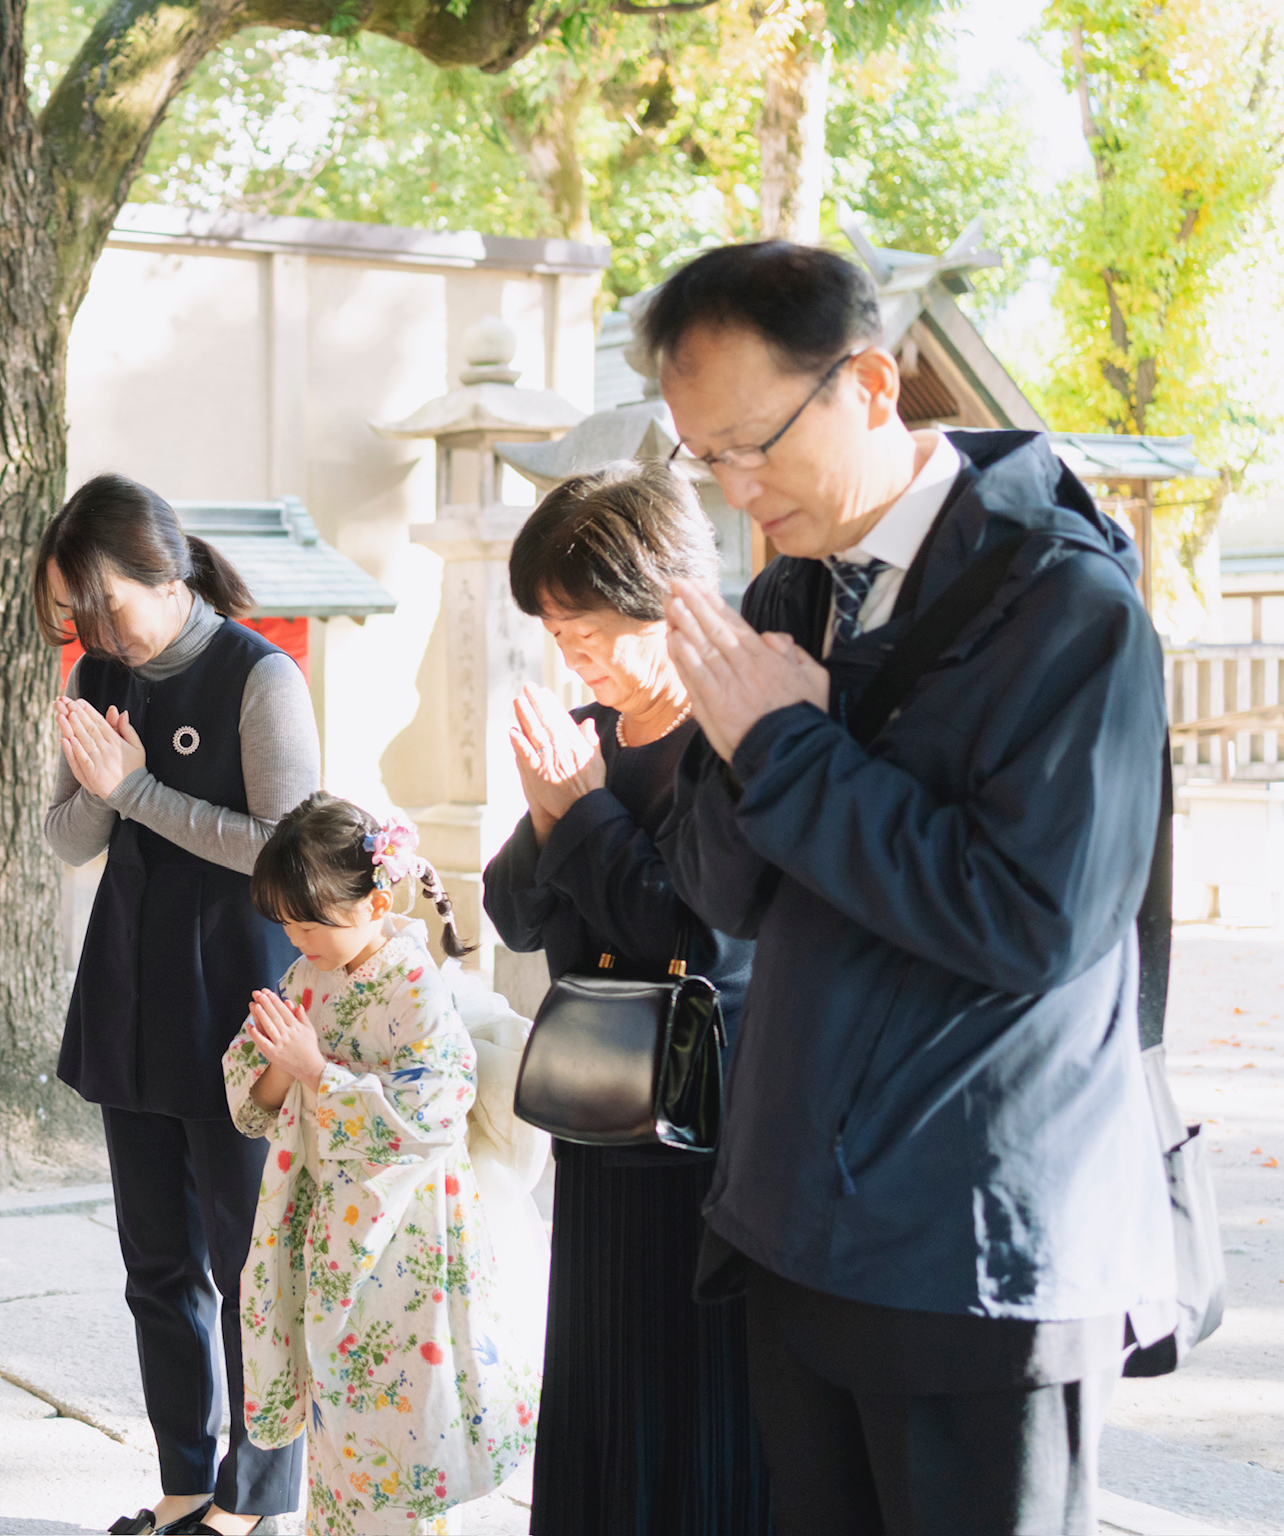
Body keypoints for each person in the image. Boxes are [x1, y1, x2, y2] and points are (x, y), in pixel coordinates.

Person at [643, 241, 1173, 1535]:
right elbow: (722, 892)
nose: (734, 489)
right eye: (702, 457)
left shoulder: (1067, 608)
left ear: (870, 383)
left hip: (973, 1249)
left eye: (754, 444)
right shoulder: (791, 591)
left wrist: (787, 751)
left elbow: (1033, 919)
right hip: (799, 1224)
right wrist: (722, 746)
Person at [479, 461, 775, 1536]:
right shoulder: (586, 731)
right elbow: (512, 911)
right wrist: (553, 813)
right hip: (596, 1117)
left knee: (690, 1397)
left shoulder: (730, 735)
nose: (575, 654)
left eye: (588, 625)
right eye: (558, 633)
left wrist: (581, 823)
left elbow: (696, 935)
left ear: (665, 597)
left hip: (704, 1130)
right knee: (599, 1376)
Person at [38, 473, 316, 1536]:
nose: (93, 629)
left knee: (247, 1260)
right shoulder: (102, 674)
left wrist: (139, 793)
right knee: (155, 1264)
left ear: (171, 570)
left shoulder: (260, 676)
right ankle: (184, 1483)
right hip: (128, 990)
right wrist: (87, 781)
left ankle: (258, 1497)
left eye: (105, 604)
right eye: (77, 613)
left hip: (239, 1001)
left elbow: (289, 852)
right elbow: (67, 844)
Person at [229, 795, 540, 1536]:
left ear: (377, 900)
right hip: (328, 1225)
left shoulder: (411, 984)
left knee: (403, 1416)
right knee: (338, 1407)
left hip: (404, 1237)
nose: (297, 938)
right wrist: (280, 1065)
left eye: (311, 923)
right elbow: (254, 1093)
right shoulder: (309, 974)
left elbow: (432, 1113)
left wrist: (316, 1073)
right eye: (287, 924)